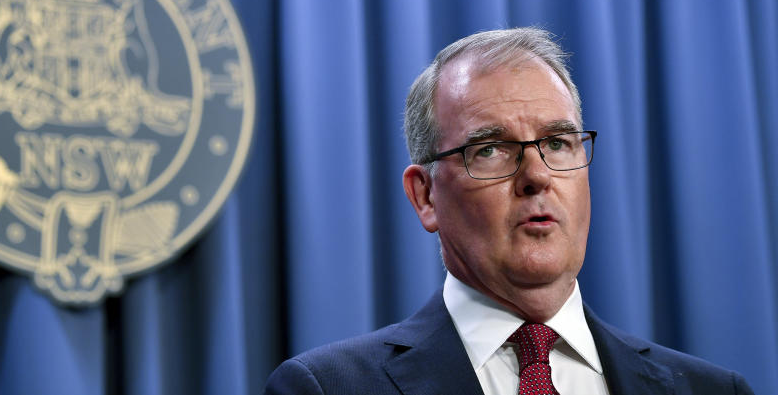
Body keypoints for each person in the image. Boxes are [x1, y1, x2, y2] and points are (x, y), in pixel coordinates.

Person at [263, 28, 755, 395]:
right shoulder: (325, 388)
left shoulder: (713, 389)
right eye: (490, 150)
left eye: (558, 142)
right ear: (425, 197)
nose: (537, 176)